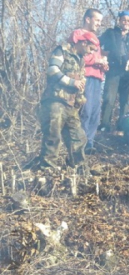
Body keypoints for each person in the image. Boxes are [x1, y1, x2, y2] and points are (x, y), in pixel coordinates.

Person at [37, 29, 99, 170]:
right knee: (53, 134)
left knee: (78, 137)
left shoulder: (81, 60)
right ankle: (47, 167)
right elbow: (52, 70)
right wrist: (71, 82)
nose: (91, 52)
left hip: (71, 105)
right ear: (83, 43)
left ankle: (79, 167)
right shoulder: (62, 50)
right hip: (55, 101)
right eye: (90, 48)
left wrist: (80, 100)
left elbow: (80, 84)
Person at [99, 11, 129, 132]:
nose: (126, 23)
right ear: (119, 21)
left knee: (126, 100)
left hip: (128, 71)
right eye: (124, 20)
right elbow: (97, 45)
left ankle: (122, 126)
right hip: (113, 70)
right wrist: (103, 55)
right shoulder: (110, 33)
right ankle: (104, 125)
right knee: (109, 98)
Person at [79, 8, 109, 154]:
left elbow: (94, 59)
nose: (99, 24)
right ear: (87, 19)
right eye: (97, 20)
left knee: (96, 113)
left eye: (100, 21)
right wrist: (98, 60)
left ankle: (89, 143)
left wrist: (103, 65)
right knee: (86, 111)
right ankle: (82, 143)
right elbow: (80, 57)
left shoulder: (95, 39)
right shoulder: (79, 34)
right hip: (86, 77)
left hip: (97, 78)